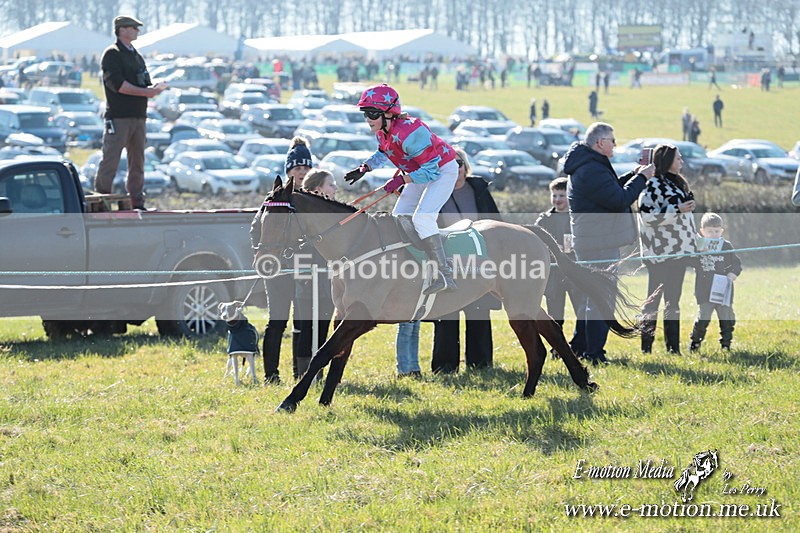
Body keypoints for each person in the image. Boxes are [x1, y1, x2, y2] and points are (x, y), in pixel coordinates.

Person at [345, 83, 458, 295]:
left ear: (389, 113)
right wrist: (365, 168)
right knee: (399, 217)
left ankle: (444, 274)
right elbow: (384, 153)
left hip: (442, 171)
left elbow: (432, 173)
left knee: (422, 218)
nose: (368, 119)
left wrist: (401, 180)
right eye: (365, 114)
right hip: (420, 170)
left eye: (372, 113)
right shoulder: (383, 131)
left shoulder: (410, 133)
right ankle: (418, 263)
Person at [562, 122, 655, 365]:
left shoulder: (587, 164)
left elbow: (608, 188)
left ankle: (581, 347)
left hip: (592, 240)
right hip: (598, 243)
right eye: (612, 140)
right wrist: (642, 179)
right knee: (601, 299)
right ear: (600, 143)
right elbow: (618, 199)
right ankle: (594, 353)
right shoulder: (591, 169)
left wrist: (633, 175)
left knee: (590, 298)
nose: (615, 144)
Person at [430, 148, 501, 373]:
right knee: (446, 316)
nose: (456, 169)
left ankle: (480, 364)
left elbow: (495, 222)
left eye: (459, 163)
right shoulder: (435, 192)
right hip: (447, 263)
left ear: (465, 166)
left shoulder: (478, 190)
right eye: (449, 165)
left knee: (479, 312)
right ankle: (444, 366)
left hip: (479, 262)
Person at [94, 15, 168, 210]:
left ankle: (136, 201)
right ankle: (101, 202)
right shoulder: (112, 54)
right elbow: (118, 85)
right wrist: (148, 92)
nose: (137, 31)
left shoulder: (136, 55)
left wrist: (155, 88)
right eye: (134, 28)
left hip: (138, 117)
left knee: (138, 162)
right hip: (119, 117)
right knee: (110, 161)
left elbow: (143, 82)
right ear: (123, 30)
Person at [258, 137, 314, 384]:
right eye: (297, 169)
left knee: (303, 322)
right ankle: (271, 374)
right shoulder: (275, 198)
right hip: (278, 270)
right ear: (288, 170)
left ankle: (300, 373)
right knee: (278, 320)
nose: (301, 173)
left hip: (305, 269)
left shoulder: (314, 200)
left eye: (305, 169)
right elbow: (257, 229)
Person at [637, 145, 697, 354]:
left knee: (674, 300)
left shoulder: (678, 182)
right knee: (653, 301)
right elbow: (646, 216)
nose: (681, 161)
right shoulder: (652, 184)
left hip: (680, 252)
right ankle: (646, 348)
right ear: (667, 160)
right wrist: (676, 209)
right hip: (660, 254)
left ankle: (674, 348)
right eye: (678, 158)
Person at [292, 169, 337, 379]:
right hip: (307, 280)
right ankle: (302, 375)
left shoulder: (336, 212)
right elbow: (297, 246)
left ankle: (316, 374)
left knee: (322, 330)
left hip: (329, 282)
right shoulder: (302, 213)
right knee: (307, 329)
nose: (335, 188)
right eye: (331, 184)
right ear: (319, 189)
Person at [534, 178, 582, 343]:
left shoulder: (576, 217)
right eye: (554, 195)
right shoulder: (544, 219)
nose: (557, 200)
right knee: (555, 312)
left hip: (574, 270)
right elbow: (536, 244)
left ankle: (580, 344)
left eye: (562, 195)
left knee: (581, 309)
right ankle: (557, 346)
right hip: (553, 273)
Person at [689, 213, 743, 351]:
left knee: (726, 317)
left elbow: (737, 264)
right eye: (709, 231)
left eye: (716, 231)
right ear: (702, 231)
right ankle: (695, 343)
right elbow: (689, 261)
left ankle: (726, 344)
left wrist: (732, 274)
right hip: (704, 289)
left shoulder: (726, 246)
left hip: (723, 288)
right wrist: (698, 252)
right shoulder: (698, 246)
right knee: (704, 317)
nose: (713, 234)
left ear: (721, 231)